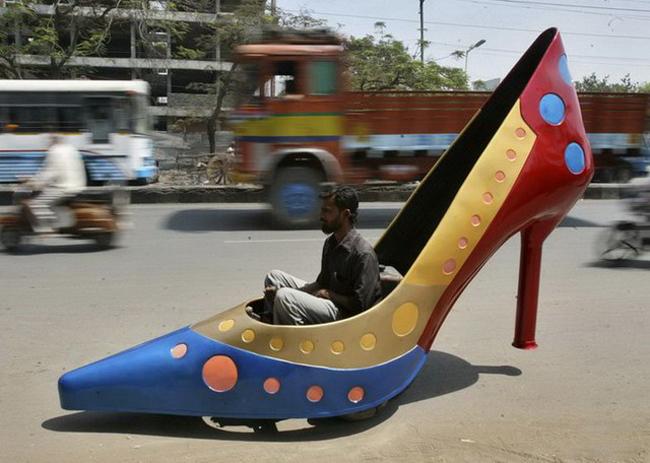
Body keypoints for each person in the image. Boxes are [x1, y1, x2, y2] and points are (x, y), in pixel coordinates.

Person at [262, 186, 382, 325]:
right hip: (326, 299)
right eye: (322, 210)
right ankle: (270, 319)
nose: (321, 216)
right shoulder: (330, 243)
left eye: (327, 211)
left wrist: (329, 295)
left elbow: (361, 306)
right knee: (274, 277)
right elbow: (321, 283)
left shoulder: (363, 254)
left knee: (285, 297)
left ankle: (290, 335)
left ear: (345, 214)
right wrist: (289, 290)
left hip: (344, 314)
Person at [26, 134, 86, 232]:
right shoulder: (71, 149)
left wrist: (35, 183)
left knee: (37, 204)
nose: (47, 143)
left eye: (49, 141)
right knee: (49, 198)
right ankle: (57, 224)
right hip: (78, 185)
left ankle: (47, 229)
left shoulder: (54, 151)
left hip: (64, 187)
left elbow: (50, 172)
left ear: (53, 141)